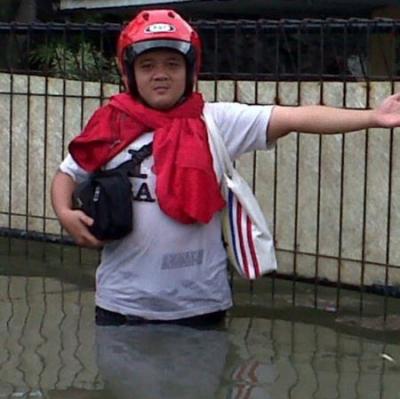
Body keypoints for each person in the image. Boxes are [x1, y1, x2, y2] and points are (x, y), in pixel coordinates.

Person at [51, 9, 400, 326]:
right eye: (147, 66)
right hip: (121, 306)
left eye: (172, 64)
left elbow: (295, 117)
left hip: (200, 306)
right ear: (129, 72)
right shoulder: (110, 125)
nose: (160, 75)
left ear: (190, 70)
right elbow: (68, 173)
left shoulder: (216, 122)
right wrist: (65, 213)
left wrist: (372, 117)